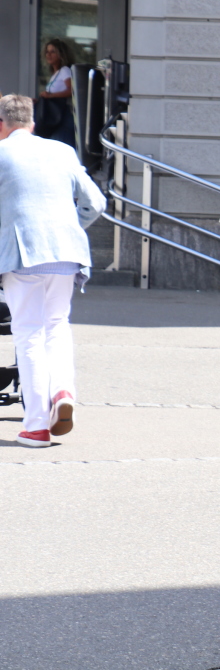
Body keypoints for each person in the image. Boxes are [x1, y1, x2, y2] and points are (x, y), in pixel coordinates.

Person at [0, 94, 105, 447]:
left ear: (2, 124)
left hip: (22, 253)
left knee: (29, 332)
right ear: (32, 123)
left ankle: (36, 426)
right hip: (67, 252)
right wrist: (70, 227)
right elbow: (97, 202)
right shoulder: (63, 152)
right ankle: (63, 391)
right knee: (57, 325)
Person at [37, 39, 77, 148]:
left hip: (63, 117)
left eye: (53, 51)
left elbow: (72, 90)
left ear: (61, 54)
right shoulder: (55, 73)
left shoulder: (65, 70)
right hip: (56, 118)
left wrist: (51, 96)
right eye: (47, 52)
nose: (48, 55)